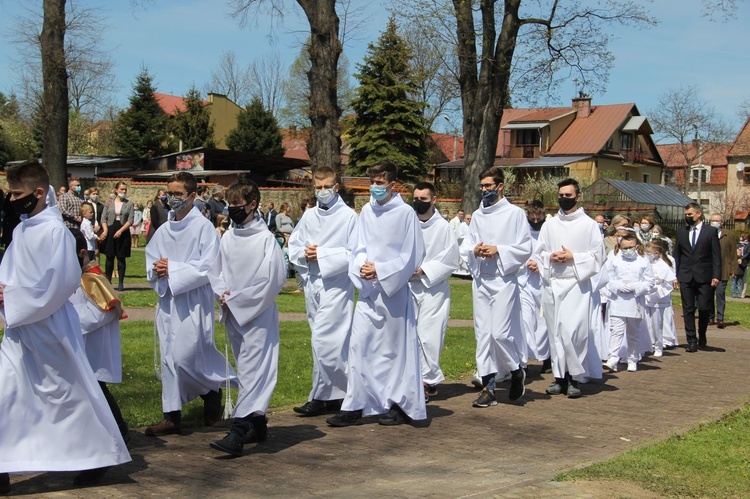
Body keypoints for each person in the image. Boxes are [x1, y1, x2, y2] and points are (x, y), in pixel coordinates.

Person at [0, 160, 130, 493]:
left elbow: (59, 282)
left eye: (17, 194)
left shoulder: (56, 231)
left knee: (66, 396)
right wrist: (4, 291)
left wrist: (12, 299)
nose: (12, 199)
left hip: (49, 328)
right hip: (19, 329)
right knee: (6, 393)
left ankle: (98, 453)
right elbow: (11, 271)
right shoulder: (23, 229)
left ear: (38, 193)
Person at [326, 160, 426, 427]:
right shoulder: (366, 213)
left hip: (393, 293)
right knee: (359, 346)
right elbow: (357, 248)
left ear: (392, 185)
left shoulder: (405, 214)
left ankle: (398, 404)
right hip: (369, 292)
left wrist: (381, 270)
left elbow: (413, 255)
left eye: (379, 183)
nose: (374, 188)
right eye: (372, 182)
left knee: (394, 351)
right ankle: (356, 403)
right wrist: (362, 268)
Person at [145, 172, 233, 436]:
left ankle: (211, 391)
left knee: (187, 356)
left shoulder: (203, 228)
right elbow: (151, 260)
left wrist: (172, 269)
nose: (172, 199)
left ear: (192, 196)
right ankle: (171, 415)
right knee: (170, 358)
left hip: (193, 301)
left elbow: (208, 267)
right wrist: (158, 270)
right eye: (169, 194)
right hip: (169, 301)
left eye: (178, 194)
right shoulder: (163, 230)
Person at [208, 179, 286, 457]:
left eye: (239, 205)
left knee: (254, 372)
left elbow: (272, 280)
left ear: (253, 205)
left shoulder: (266, 240)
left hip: (258, 315)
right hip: (233, 313)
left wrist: (238, 299)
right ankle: (258, 422)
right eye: (230, 205)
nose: (233, 210)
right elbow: (215, 270)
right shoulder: (228, 236)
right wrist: (222, 293)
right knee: (246, 370)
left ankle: (238, 431)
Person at [288, 167, 359, 417]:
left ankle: (351, 391)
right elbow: (293, 244)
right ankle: (324, 395)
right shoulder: (309, 216)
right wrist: (305, 254)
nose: (322, 192)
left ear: (336, 187)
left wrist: (323, 254)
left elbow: (355, 254)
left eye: (326, 187)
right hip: (313, 283)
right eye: (318, 187)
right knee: (321, 342)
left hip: (337, 285)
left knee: (325, 341)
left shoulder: (349, 217)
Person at [460, 167, 531, 407]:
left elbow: (524, 247)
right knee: (483, 336)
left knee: (500, 333)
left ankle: (515, 369)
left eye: (489, 186)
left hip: (503, 279)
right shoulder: (478, 216)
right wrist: (475, 250)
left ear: (500, 186)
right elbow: (468, 244)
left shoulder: (515, 214)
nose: (485, 190)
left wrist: (499, 249)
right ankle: (488, 389)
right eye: (482, 186)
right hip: (482, 279)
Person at [534, 178, 606, 398]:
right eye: (561, 195)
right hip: (554, 282)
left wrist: (573, 256)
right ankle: (559, 378)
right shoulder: (550, 224)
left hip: (576, 283)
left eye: (568, 195)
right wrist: (550, 256)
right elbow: (539, 253)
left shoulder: (589, 225)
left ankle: (575, 377)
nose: (564, 199)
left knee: (573, 332)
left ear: (577, 196)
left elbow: (598, 256)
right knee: (555, 333)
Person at [69, 228, 130, 443]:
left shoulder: (92, 279)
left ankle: (119, 430)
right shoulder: (70, 278)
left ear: (81, 252)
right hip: (77, 346)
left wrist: (64, 320)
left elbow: (102, 313)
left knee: (98, 391)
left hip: (92, 347)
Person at [410, 182, 459, 400]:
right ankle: (412, 378)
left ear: (434, 200)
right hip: (409, 286)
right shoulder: (408, 222)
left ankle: (428, 380)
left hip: (433, 288)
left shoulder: (443, 227)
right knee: (409, 335)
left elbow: (451, 260)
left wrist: (425, 269)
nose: (419, 203)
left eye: (423, 199)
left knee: (428, 336)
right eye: (416, 198)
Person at [603, 233, 655, 373]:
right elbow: (606, 277)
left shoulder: (643, 261)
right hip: (618, 299)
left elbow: (650, 282)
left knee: (633, 331)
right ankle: (613, 357)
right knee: (616, 330)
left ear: (636, 246)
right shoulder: (614, 259)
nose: (627, 250)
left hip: (635, 301)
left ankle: (632, 358)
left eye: (630, 247)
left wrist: (636, 287)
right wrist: (617, 286)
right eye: (624, 248)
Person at [674, 202, 721, 352]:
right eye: (686, 215)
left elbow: (716, 256)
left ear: (699, 214)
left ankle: (702, 335)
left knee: (704, 307)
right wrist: (675, 275)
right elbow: (677, 255)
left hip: (704, 276)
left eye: (690, 214)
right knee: (687, 309)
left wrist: (716, 275)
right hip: (686, 275)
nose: (688, 217)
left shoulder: (710, 232)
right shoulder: (681, 233)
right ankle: (691, 340)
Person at [520, 200, 552, 374]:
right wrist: (526, 262)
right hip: (524, 281)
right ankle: (523, 359)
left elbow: (552, 252)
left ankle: (547, 357)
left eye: (538, 214)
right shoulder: (522, 229)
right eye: (532, 214)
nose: (535, 217)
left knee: (545, 321)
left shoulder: (549, 230)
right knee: (525, 320)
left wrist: (540, 264)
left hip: (543, 281)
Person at [644, 239, 676, 357]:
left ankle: (658, 345)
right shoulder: (646, 263)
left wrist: (657, 289)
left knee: (657, 323)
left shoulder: (663, 265)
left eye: (649, 253)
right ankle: (648, 344)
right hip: (646, 297)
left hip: (657, 298)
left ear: (656, 253)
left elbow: (668, 282)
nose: (647, 255)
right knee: (646, 323)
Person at [100, 182, 134, 291]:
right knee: (109, 257)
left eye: (125, 190)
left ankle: (120, 283)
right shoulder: (109, 203)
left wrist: (121, 230)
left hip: (123, 230)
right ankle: (108, 281)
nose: (123, 192)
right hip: (110, 229)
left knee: (121, 258)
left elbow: (130, 220)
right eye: (121, 189)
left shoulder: (129, 203)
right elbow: (103, 218)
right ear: (116, 190)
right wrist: (105, 230)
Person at [708, 213, 738, 329]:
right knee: (709, 295)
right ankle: (710, 316)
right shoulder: (707, 233)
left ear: (722, 222)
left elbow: (733, 254)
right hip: (709, 270)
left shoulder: (728, 235)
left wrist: (733, 269)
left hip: (723, 270)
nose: (715, 222)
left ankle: (720, 318)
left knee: (720, 294)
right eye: (713, 220)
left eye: (717, 220)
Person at [733, 233, 750, 298]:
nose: (741, 238)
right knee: (737, 278)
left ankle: (743, 292)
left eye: (743, 237)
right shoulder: (739, 244)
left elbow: (748, 253)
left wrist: (741, 259)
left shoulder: (748, 245)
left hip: (744, 263)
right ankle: (737, 292)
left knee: (744, 278)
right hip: (737, 262)